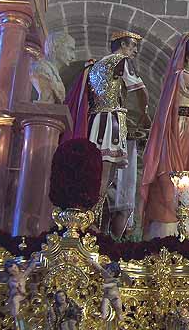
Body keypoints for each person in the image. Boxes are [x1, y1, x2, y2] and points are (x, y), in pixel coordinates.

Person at [63, 30, 151, 239]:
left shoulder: (96, 65)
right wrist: (144, 116)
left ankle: (88, 221)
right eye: (132, 45)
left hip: (94, 122)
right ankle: (90, 224)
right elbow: (140, 92)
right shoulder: (122, 61)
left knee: (93, 175)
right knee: (105, 178)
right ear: (121, 45)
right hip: (110, 123)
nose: (135, 51)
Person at [140, 31, 189, 241]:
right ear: (187, 56)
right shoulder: (182, 77)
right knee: (175, 174)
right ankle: (169, 229)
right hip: (181, 132)